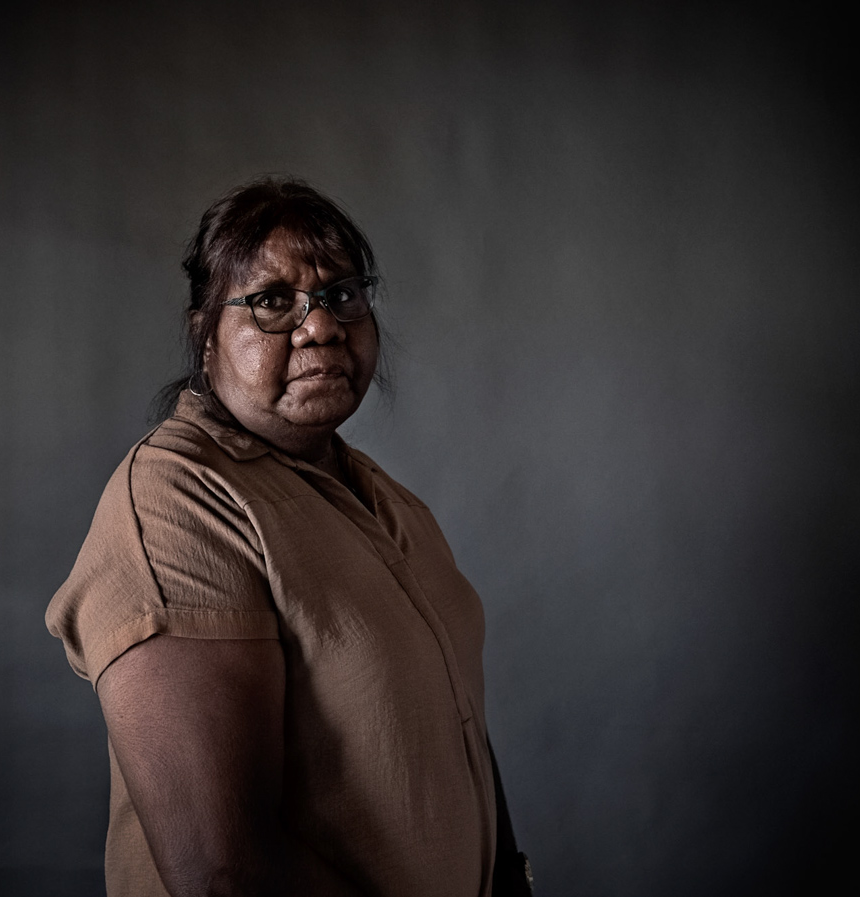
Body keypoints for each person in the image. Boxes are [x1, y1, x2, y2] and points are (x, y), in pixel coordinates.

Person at [47, 178, 531, 897]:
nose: (321, 325)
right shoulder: (177, 500)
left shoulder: (385, 501)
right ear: (205, 334)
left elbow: (459, 722)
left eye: (342, 294)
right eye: (273, 300)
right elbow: (225, 872)